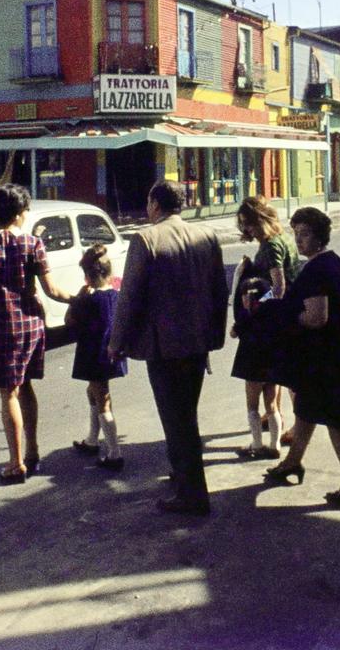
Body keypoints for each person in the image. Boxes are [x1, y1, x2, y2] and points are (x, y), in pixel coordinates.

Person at [109, 180, 229, 517]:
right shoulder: (206, 236)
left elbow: (129, 296)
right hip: (197, 343)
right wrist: (214, 336)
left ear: (154, 204)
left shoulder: (146, 239)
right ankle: (182, 473)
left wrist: (116, 342)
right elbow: (220, 291)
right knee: (185, 413)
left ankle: (193, 493)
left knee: (177, 419)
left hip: (164, 346)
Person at [264, 207, 340, 509]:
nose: (298, 239)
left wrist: (287, 316)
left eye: (305, 233)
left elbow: (316, 317)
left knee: (336, 421)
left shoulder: (316, 270)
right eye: (295, 232)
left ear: (320, 235)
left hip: (327, 358)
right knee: (307, 412)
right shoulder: (336, 263)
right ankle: (292, 463)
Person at [0, 186, 72, 484]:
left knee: (7, 392)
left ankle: (15, 464)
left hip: (2, 325)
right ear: (17, 213)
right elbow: (52, 290)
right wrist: (78, 299)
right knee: (25, 387)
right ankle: (33, 451)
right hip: (32, 325)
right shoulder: (34, 244)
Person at [230, 195, 302, 460]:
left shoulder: (271, 246)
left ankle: (292, 428)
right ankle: (280, 424)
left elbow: (279, 287)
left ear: (258, 221)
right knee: (278, 379)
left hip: (272, 323)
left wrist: (254, 305)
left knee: (281, 379)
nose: (246, 231)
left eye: (247, 225)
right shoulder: (282, 239)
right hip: (286, 318)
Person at [66, 244, 127, 472]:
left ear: (87, 277)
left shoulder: (88, 300)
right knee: (93, 392)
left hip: (94, 354)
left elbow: (69, 320)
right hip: (110, 351)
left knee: (103, 399)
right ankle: (92, 440)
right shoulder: (116, 296)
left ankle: (114, 453)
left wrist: (78, 298)